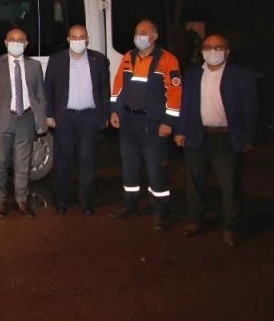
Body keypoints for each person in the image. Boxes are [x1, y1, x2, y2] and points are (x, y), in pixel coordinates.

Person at [174, 34, 258, 247]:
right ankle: (195, 219)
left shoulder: (240, 75)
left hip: (226, 137)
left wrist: (247, 137)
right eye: (208, 47)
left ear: (227, 52)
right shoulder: (192, 75)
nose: (212, 51)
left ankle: (231, 226)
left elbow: (250, 109)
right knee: (194, 181)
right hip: (197, 134)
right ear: (202, 51)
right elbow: (184, 105)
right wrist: (180, 131)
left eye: (218, 47)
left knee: (229, 184)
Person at [109, 19, 182, 231]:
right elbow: (118, 85)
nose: (139, 35)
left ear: (154, 36)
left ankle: (161, 212)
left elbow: (175, 92)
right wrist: (114, 110)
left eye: (143, 32)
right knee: (129, 167)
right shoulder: (128, 57)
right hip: (129, 121)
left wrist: (168, 122)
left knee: (155, 168)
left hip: (154, 123)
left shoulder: (167, 59)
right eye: (136, 31)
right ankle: (130, 205)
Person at [44, 25, 110, 214]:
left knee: (87, 161)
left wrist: (105, 115)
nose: (78, 40)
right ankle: (61, 200)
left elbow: (104, 90)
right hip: (64, 117)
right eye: (74, 37)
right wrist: (49, 114)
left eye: (81, 37)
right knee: (62, 161)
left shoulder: (99, 60)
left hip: (89, 117)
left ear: (87, 39)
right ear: (68, 39)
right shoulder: (56, 60)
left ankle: (85, 200)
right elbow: (48, 88)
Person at [0, 28, 47, 218]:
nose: (16, 43)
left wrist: (41, 117)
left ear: (26, 44)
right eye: (12, 39)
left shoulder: (34, 65)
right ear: (6, 42)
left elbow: (40, 95)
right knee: (0, 162)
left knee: (23, 163)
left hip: (26, 118)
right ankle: (0, 201)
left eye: (20, 40)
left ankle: (22, 200)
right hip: (2, 119)